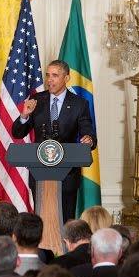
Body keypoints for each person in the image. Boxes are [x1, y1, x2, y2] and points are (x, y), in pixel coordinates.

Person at [12, 59, 97, 223]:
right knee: (41, 223)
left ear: (66, 78)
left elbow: (89, 134)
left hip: (67, 177)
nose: (49, 80)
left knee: (66, 223)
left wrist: (89, 140)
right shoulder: (36, 100)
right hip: (39, 175)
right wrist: (24, 115)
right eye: (47, 75)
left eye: (55, 76)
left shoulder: (79, 104)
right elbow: (17, 133)